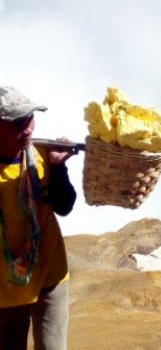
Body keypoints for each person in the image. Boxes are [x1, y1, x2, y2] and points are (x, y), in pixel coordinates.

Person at [0, 86, 79, 350]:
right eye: (17, 124)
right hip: (5, 282)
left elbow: (64, 206)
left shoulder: (41, 155)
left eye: (30, 120)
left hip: (50, 273)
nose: (28, 129)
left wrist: (58, 167)